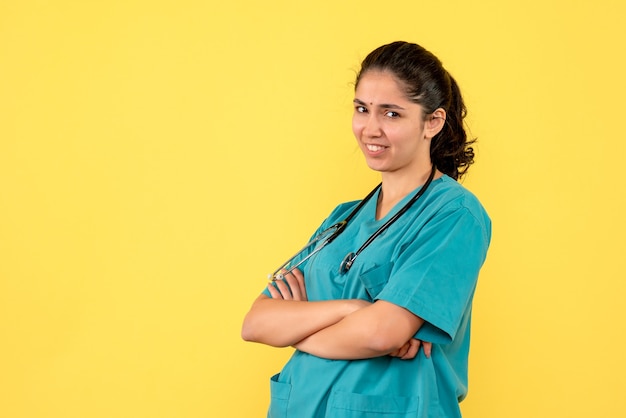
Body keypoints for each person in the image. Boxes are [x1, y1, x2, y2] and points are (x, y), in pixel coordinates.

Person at [242, 41, 491, 418]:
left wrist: (297, 328)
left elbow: (382, 333)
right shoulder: (342, 219)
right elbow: (256, 322)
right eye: (362, 109)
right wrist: (352, 308)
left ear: (433, 122)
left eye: (391, 114)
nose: (370, 129)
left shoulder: (454, 215)